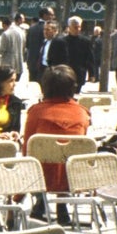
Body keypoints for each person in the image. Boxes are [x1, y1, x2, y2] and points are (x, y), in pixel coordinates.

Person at [23, 65, 90, 225]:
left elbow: (28, 147)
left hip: (40, 175)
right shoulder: (82, 113)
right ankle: (61, 206)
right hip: (72, 175)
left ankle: (40, 203)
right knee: (67, 157)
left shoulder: (36, 112)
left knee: (39, 157)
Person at [60, 16, 93, 86]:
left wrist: (91, 74)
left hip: (80, 73)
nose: (78, 29)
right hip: (65, 73)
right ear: (69, 27)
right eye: (75, 27)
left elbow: (90, 58)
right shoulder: (62, 41)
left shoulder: (85, 41)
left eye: (79, 27)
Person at [0, 15, 25, 79]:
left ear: (4, 25)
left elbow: (1, 50)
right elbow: (23, 47)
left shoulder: (5, 34)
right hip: (19, 65)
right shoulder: (21, 32)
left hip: (7, 66)